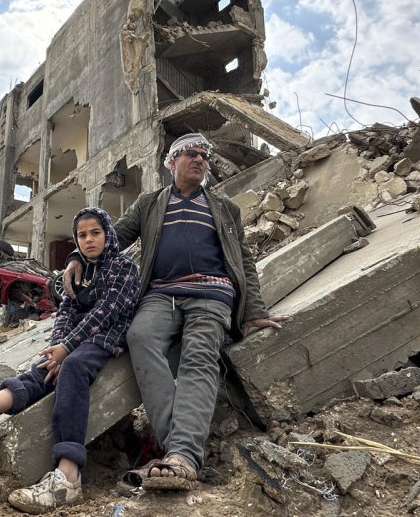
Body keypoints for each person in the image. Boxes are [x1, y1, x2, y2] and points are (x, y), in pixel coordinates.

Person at [63, 132, 288, 490]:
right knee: (139, 336)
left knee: (198, 357)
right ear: (171, 163)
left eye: (204, 155)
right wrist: (77, 255)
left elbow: (243, 260)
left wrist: (253, 310)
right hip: (160, 294)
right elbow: (112, 236)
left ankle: (181, 455)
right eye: (190, 153)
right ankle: (179, 450)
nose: (199, 159)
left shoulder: (224, 208)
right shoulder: (149, 204)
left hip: (212, 295)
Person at [0, 207, 140, 514]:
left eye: (96, 232)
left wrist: (66, 349)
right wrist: (56, 348)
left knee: (73, 367)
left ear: (108, 233)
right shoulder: (78, 272)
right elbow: (66, 312)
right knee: (46, 365)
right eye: (82, 235)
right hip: (74, 341)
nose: (89, 239)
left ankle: (68, 476)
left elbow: (106, 312)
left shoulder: (124, 268)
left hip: (107, 338)